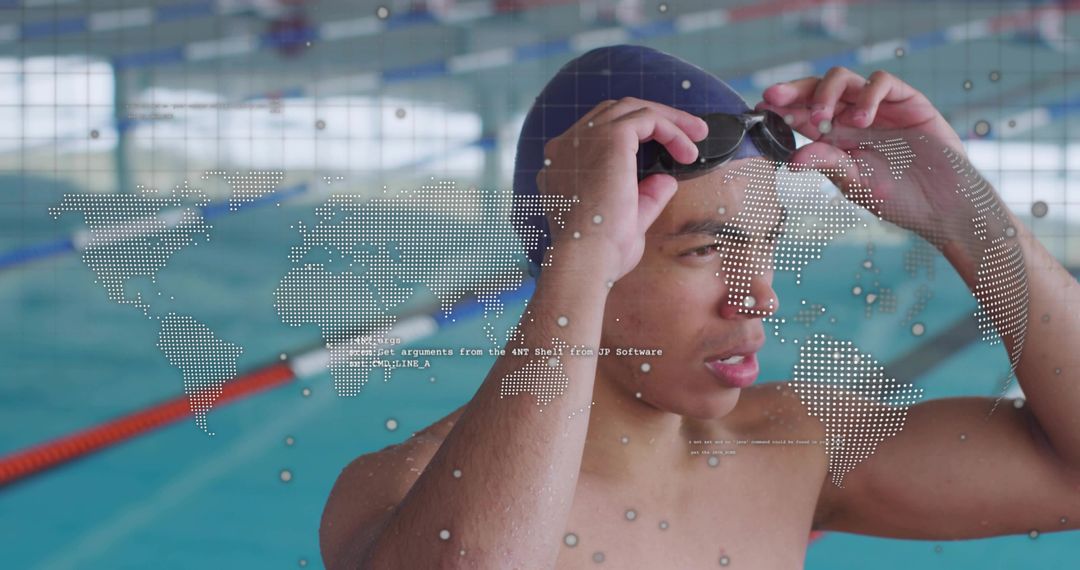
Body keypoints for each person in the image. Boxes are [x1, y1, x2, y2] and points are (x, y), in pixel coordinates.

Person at [319, 44, 1080, 569]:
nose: (760, 295)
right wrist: (577, 262)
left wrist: (973, 227)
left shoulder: (794, 448)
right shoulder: (402, 488)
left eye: (764, 246)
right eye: (704, 250)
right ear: (588, 249)